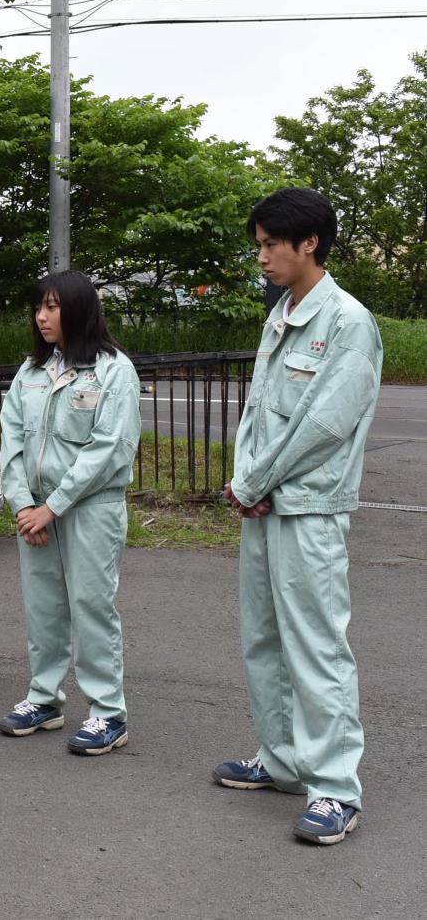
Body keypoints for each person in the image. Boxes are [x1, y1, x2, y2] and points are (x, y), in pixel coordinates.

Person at [214, 188, 381, 846]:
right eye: (258, 244)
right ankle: (283, 759)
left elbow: (323, 424)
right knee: (263, 636)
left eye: (268, 244)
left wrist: (254, 477)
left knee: (316, 643)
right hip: (264, 504)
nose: (261, 256)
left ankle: (336, 788)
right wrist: (244, 477)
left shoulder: (347, 321)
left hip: (308, 507)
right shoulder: (281, 312)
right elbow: (259, 410)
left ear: (309, 242)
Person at [0, 270, 141, 755]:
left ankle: (107, 713)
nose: (41, 317)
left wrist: (52, 508)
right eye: (38, 307)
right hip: (34, 511)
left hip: (88, 508)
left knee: (91, 606)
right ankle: (44, 698)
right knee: (44, 608)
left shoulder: (113, 370)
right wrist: (23, 505)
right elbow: (11, 440)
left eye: (52, 307)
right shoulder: (31, 372)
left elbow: (109, 449)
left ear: (79, 310)